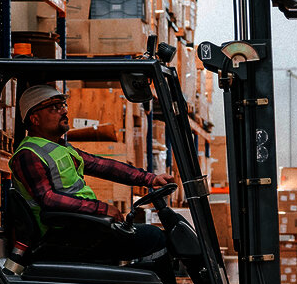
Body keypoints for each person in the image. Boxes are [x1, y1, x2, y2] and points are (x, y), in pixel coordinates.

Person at [10, 84, 175, 264]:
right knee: (154, 237)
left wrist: (151, 179)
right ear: (35, 119)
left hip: (83, 227)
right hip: (64, 236)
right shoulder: (28, 154)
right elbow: (49, 199)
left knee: (151, 238)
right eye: (54, 108)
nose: (63, 111)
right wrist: (102, 209)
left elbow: (102, 165)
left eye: (63, 105)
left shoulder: (61, 148)